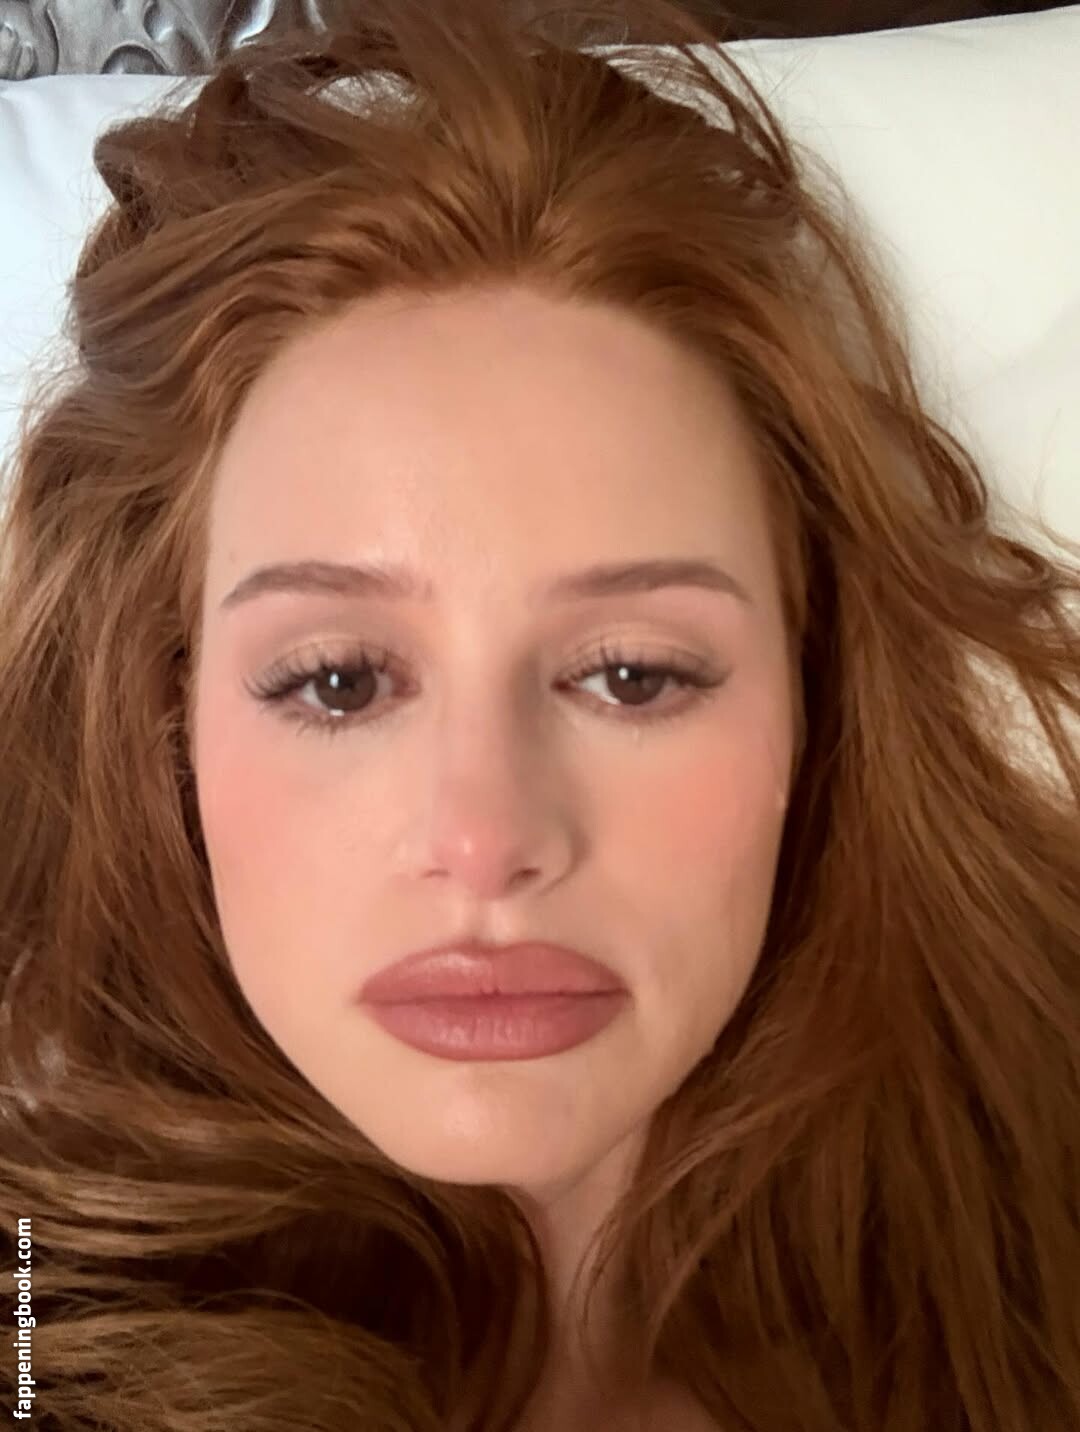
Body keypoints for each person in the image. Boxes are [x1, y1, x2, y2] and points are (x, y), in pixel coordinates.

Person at [0, 0, 1077, 1429]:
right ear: (164, 720)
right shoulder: (39, 1322)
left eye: (633, 674)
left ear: (817, 701)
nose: (485, 839)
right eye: (338, 680)